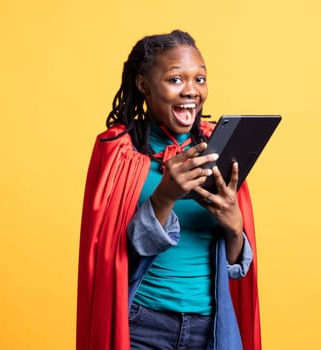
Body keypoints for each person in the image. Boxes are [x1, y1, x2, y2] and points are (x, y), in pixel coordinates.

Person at [77, 30, 261, 350]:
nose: (191, 91)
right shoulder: (119, 151)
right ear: (144, 85)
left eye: (200, 79)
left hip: (212, 328)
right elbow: (116, 256)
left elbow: (234, 270)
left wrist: (234, 227)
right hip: (142, 326)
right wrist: (164, 197)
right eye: (176, 80)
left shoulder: (218, 147)